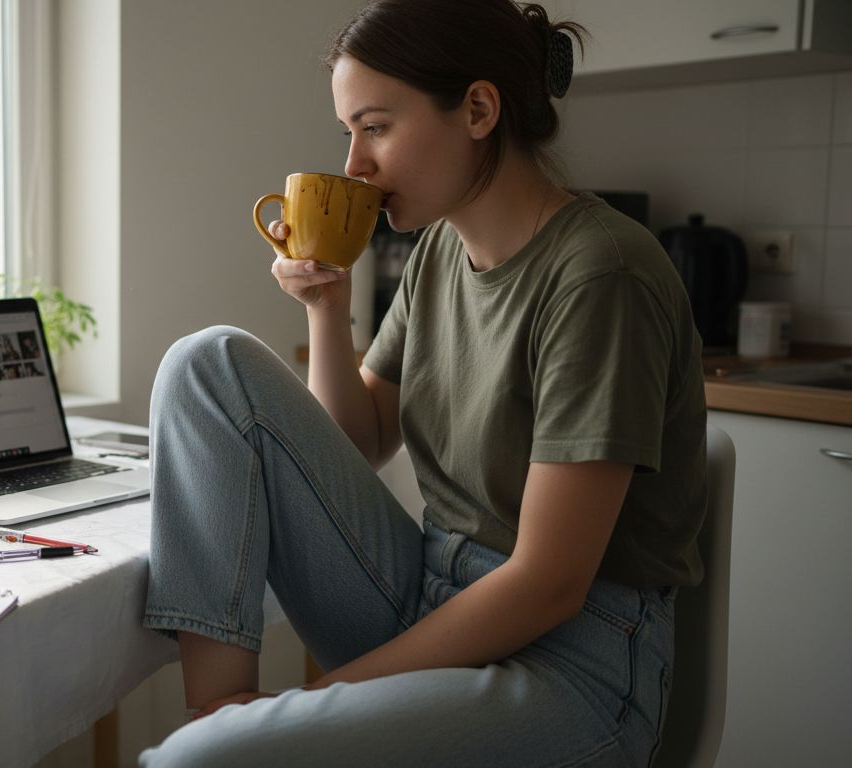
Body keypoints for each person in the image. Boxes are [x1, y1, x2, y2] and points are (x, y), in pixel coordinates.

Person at [139, 1, 707, 766]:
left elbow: (548, 584)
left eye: (375, 126)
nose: (354, 166)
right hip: (428, 596)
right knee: (206, 363)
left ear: (478, 109)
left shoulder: (601, 274)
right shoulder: (440, 250)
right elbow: (359, 442)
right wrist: (328, 305)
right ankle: (219, 708)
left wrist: (313, 702)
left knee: (194, 764)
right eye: (350, 132)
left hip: (572, 666)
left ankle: (220, 740)